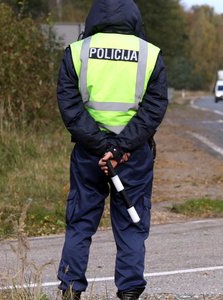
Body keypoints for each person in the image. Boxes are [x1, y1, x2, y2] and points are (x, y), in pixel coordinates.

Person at [55, 0, 168, 299]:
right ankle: (129, 293)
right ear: (134, 18)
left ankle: (70, 290)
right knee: (132, 222)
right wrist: (120, 148)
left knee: (80, 222)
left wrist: (101, 146)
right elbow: (154, 108)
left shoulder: (77, 52)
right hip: (132, 155)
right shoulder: (150, 54)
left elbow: (69, 106)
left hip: (89, 154)